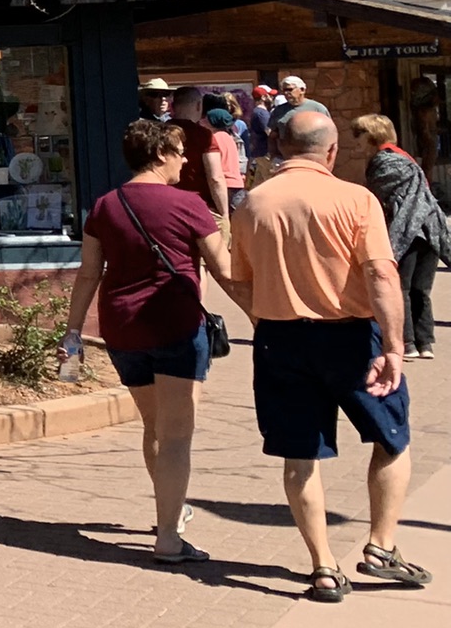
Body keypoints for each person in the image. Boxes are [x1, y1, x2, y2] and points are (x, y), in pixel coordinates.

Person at [223, 109, 430, 601]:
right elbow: (382, 275)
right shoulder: (355, 199)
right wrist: (396, 347)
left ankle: (322, 566)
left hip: (280, 340)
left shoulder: (252, 204)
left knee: (300, 457)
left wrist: (263, 317)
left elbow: (239, 277)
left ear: (279, 148)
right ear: (332, 150)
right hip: (351, 338)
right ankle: (381, 544)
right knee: (392, 439)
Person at [63, 120, 232, 564]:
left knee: (154, 425)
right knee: (177, 434)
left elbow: (87, 274)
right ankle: (169, 537)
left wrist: (73, 331)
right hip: (174, 324)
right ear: (159, 155)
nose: (185, 158)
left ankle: (169, 510)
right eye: (179, 151)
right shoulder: (188, 204)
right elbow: (224, 268)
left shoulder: (103, 206)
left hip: (121, 328)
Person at [357, 114, 448, 361]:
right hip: (431, 228)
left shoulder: (383, 161)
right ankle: (425, 342)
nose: (357, 142)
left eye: (360, 135)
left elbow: (380, 196)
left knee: (402, 288)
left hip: (408, 229)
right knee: (420, 289)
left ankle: (409, 342)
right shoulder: (403, 156)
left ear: (371, 136)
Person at [167, 85, 229, 223]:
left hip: (167, 206)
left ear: (173, 106)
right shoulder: (204, 136)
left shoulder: (159, 133)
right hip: (201, 207)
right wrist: (224, 214)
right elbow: (215, 178)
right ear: (199, 105)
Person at [204, 103, 248, 210]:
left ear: (213, 121)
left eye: (206, 119)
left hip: (224, 184)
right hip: (237, 183)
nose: (203, 122)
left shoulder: (213, 139)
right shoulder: (232, 138)